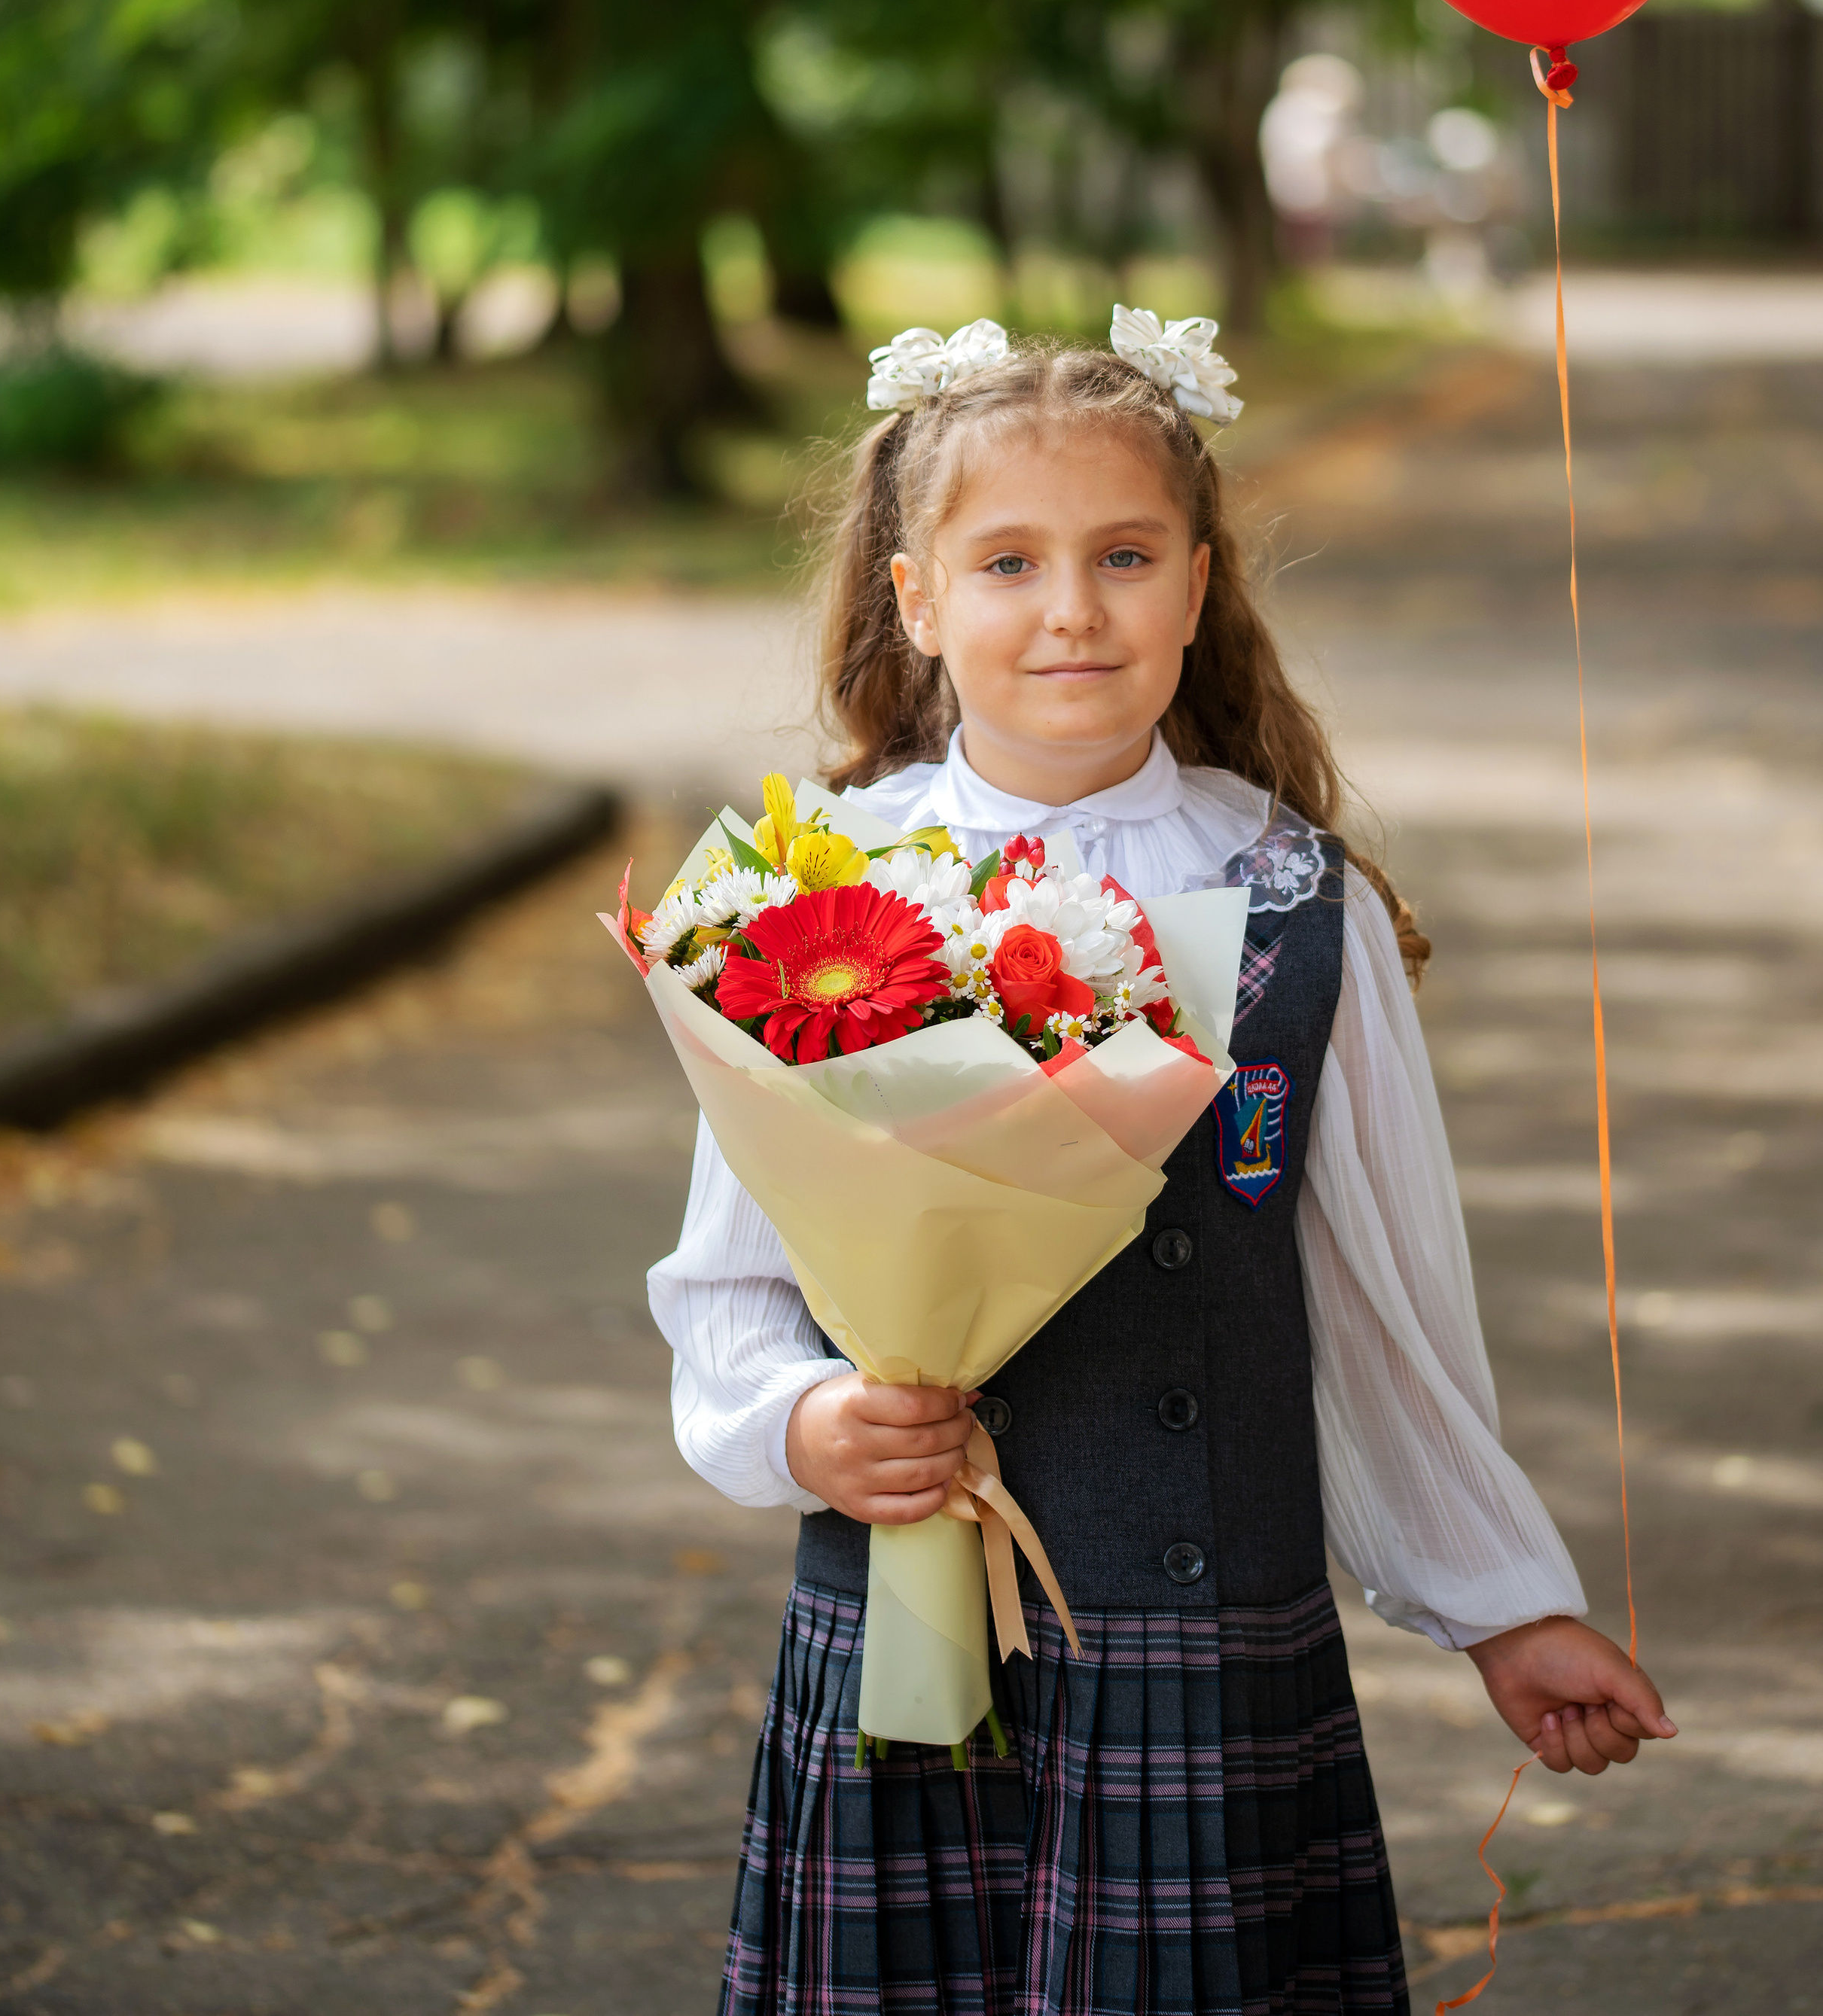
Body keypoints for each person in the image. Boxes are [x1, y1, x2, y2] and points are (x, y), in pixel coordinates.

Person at [648, 312, 1675, 2016]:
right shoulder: (818, 888)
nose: (1071, 609)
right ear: (914, 599)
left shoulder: (1292, 893)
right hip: (905, 1632)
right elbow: (733, 1276)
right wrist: (804, 1426)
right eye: (1008, 561)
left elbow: (1370, 1302)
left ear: (1196, 587)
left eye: (1123, 555)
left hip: (1206, 1649)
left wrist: (1502, 1604)